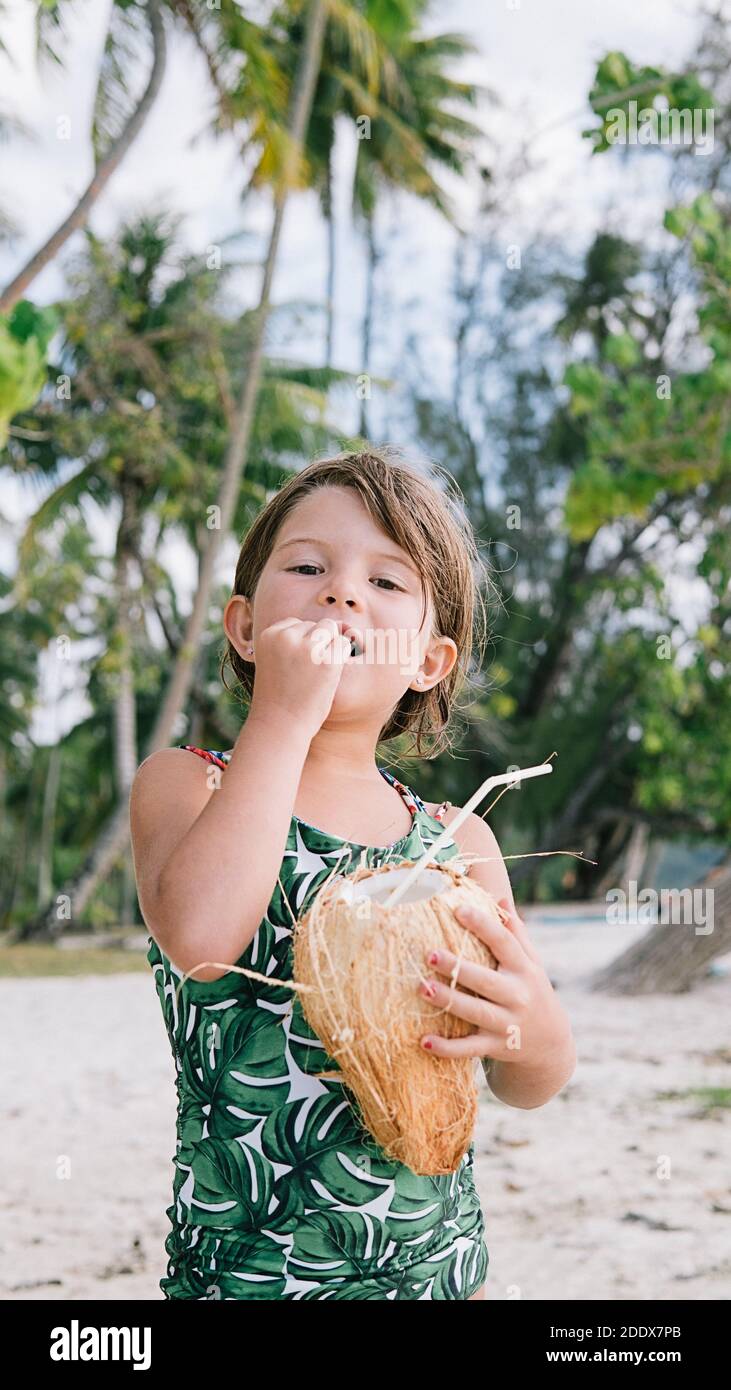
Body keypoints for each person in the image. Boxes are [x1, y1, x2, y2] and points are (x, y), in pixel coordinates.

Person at [129, 447, 576, 1300]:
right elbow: (201, 942)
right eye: (307, 568)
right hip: (246, 1279)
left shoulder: (459, 843)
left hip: (438, 1275)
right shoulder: (190, 783)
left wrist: (537, 1033)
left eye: (386, 583)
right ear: (246, 628)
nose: (341, 594)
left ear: (427, 663)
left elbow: (523, 1078)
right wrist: (285, 715)